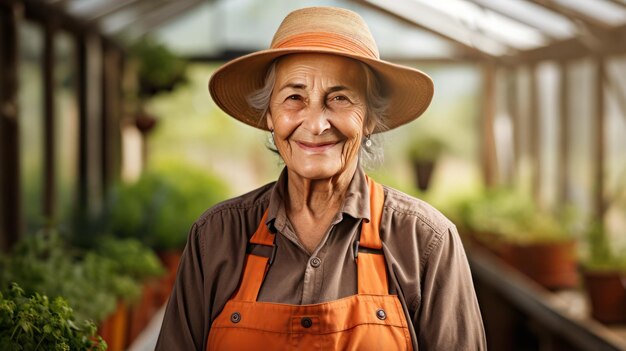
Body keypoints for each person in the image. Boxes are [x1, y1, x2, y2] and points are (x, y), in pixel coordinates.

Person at [156, 6, 486, 351]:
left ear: (369, 119)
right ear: (270, 115)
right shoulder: (216, 237)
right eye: (294, 98)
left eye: (340, 99)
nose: (315, 125)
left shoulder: (424, 241)